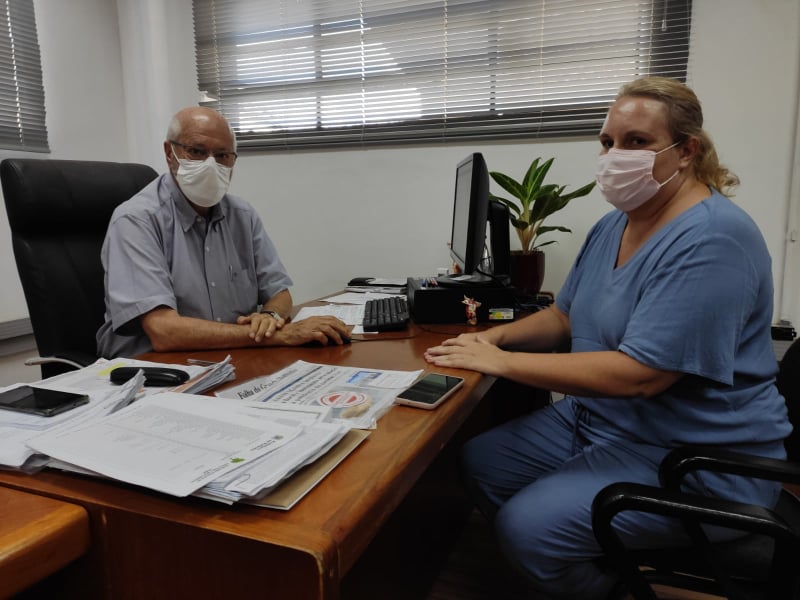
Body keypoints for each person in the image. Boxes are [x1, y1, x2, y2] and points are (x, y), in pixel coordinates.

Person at [424, 76, 792, 599]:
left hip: (690, 454)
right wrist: (496, 340)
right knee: (482, 463)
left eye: (637, 141)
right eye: (608, 142)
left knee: (529, 531)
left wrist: (500, 363)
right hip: (602, 421)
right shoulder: (614, 226)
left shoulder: (714, 239)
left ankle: (601, 579)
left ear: (686, 150)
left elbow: (641, 375)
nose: (615, 155)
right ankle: (587, 558)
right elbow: (565, 317)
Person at [96, 106, 349, 358]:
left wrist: (269, 317)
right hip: (152, 367)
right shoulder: (136, 220)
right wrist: (280, 336)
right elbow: (164, 331)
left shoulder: (242, 215)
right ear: (169, 153)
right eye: (197, 151)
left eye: (222, 155)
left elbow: (279, 292)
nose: (210, 164)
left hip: (228, 355)